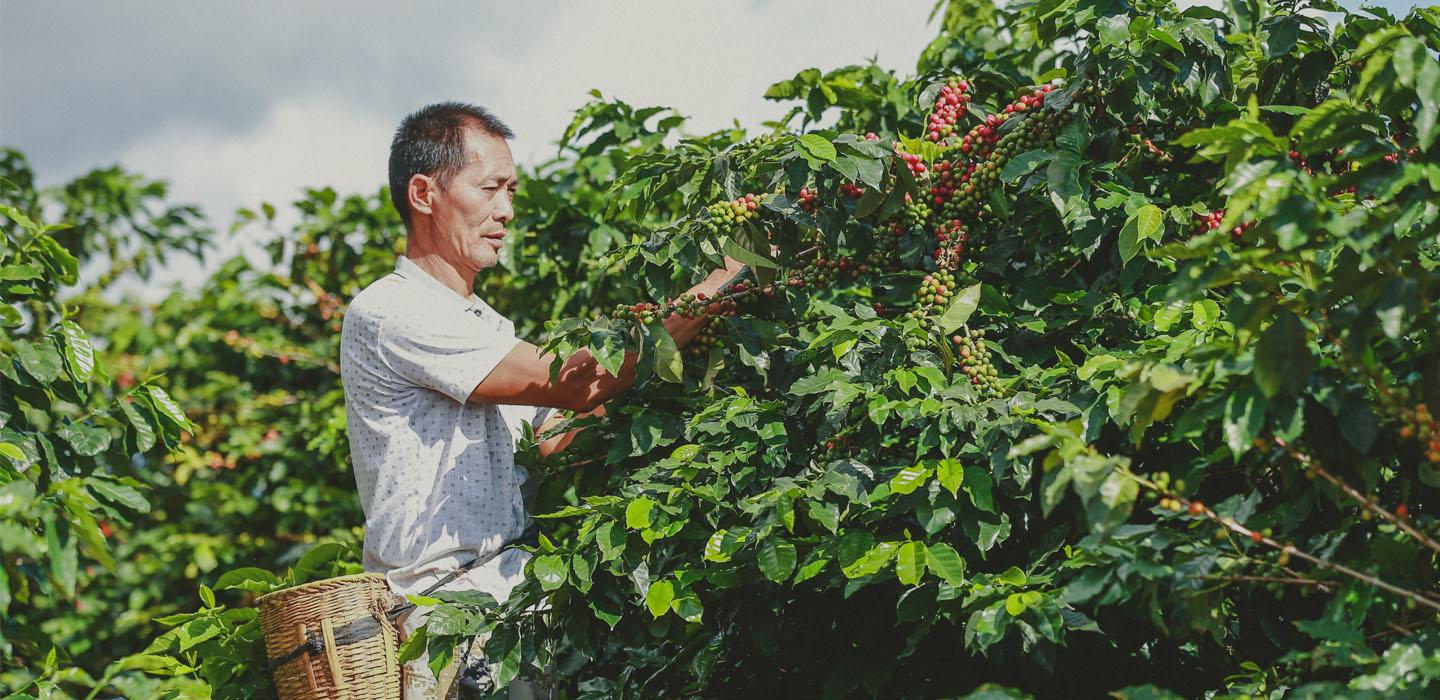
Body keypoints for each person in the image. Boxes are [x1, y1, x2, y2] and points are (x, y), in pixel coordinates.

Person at [338, 102, 743, 699]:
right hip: (446, 616)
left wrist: (672, 379)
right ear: (424, 193)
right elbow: (579, 381)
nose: (506, 210)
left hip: (512, 608)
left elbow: (554, 434)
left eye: (512, 190)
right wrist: (718, 285)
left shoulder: (487, 325)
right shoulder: (394, 309)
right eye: (489, 188)